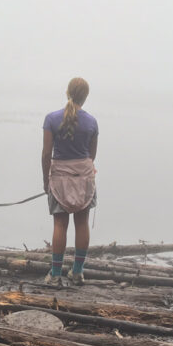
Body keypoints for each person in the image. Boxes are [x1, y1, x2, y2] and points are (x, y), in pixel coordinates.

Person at [42, 77, 98, 287]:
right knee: (82, 223)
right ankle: (77, 272)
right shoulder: (92, 122)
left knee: (60, 224)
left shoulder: (51, 119)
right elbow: (91, 156)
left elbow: (47, 154)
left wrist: (45, 180)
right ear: (85, 97)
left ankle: (55, 273)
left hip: (60, 177)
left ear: (67, 92)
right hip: (84, 176)